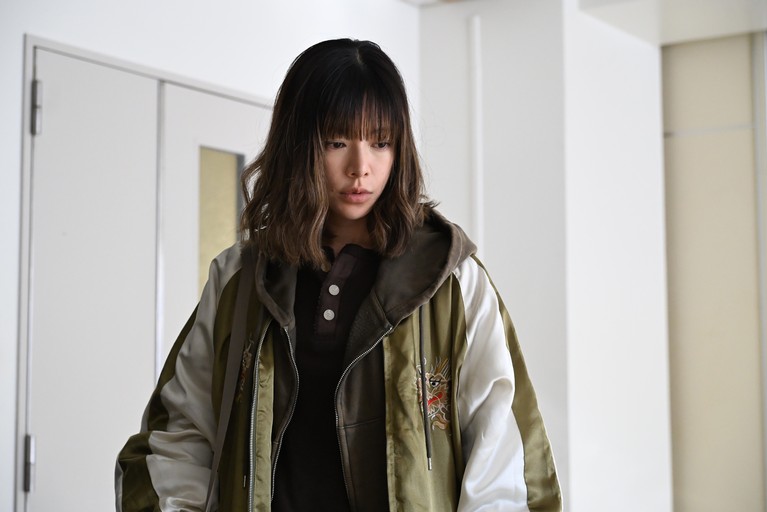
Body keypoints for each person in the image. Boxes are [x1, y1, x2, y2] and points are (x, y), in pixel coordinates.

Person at [115, 38, 561, 511]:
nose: (360, 168)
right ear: (298, 144)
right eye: (337, 142)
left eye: (380, 142)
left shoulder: (452, 281)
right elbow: (178, 437)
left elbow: (504, 460)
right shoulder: (241, 278)